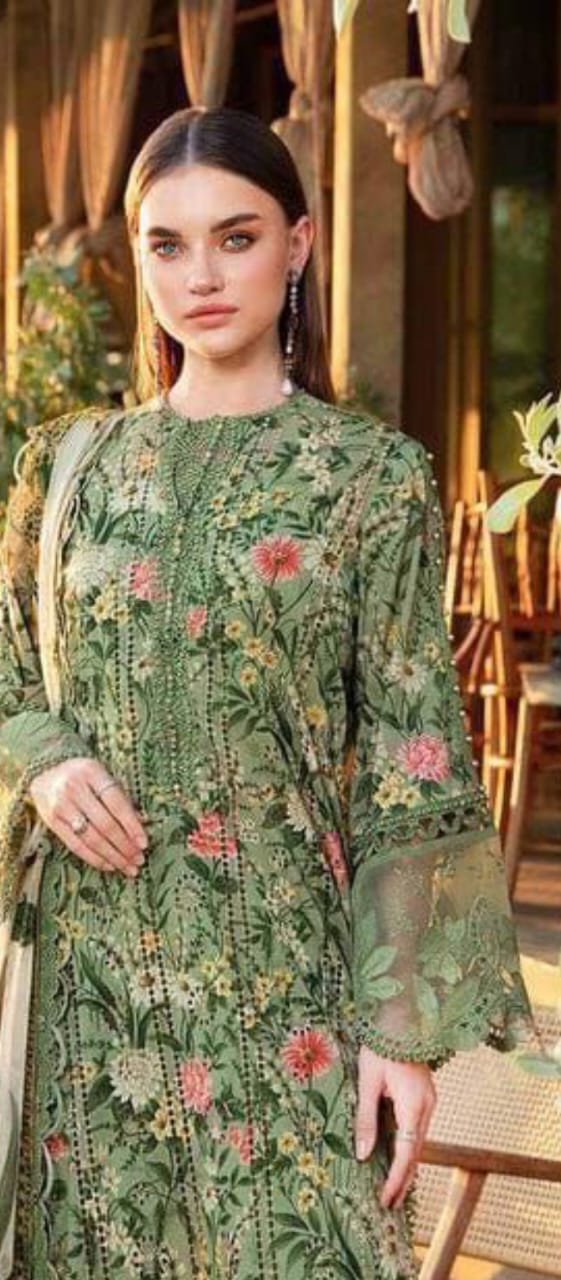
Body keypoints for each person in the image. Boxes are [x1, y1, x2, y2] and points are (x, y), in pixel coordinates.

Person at [0, 107, 532, 1280]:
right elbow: (4, 664)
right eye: (167, 243)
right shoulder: (69, 468)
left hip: (289, 972)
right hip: (91, 980)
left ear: (297, 244)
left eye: (234, 238)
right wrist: (42, 757)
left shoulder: (371, 477)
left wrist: (401, 1032)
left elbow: (412, 756)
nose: (199, 276)